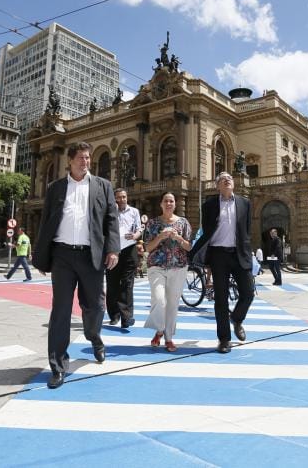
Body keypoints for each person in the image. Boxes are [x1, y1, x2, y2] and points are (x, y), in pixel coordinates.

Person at [32, 142, 120, 389]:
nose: (86, 162)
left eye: (88, 158)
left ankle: (94, 337)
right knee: (60, 310)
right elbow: (47, 222)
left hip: (91, 255)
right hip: (62, 256)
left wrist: (113, 249)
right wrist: (42, 255)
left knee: (94, 305)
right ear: (69, 161)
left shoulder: (103, 186)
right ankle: (58, 366)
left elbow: (111, 221)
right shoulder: (56, 188)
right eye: (81, 158)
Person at [189, 171, 255, 354]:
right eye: (222, 179)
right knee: (220, 299)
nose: (227, 179)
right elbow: (207, 231)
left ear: (233, 184)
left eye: (229, 178)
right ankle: (224, 339)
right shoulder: (209, 205)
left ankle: (237, 318)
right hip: (218, 255)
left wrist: (249, 254)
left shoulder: (245, 203)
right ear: (217, 186)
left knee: (248, 293)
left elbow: (246, 232)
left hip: (239, 254)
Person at [143, 192, 192, 352]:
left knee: (172, 304)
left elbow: (189, 247)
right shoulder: (152, 223)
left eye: (171, 201)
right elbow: (148, 248)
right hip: (156, 266)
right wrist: (160, 237)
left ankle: (168, 338)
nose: (169, 203)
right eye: (166, 201)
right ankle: (160, 328)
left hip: (178, 267)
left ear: (175, 204)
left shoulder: (183, 223)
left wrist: (178, 238)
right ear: (161, 204)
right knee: (159, 299)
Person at [105, 188, 142, 328]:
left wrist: (135, 236)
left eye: (124, 197)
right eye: (118, 197)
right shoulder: (109, 212)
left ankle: (126, 317)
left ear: (127, 197)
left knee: (127, 284)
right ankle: (114, 315)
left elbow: (139, 229)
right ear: (114, 199)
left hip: (129, 250)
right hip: (112, 251)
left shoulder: (134, 212)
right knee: (112, 284)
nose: (121, 200)